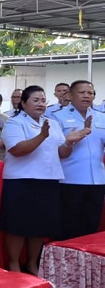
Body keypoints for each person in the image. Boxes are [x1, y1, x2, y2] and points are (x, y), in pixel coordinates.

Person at [0, 85, 88, 274]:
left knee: (39, 225)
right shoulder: (14, 123)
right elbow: (17, 150)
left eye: (43, 100)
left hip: (47, 180)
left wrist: (69, 142)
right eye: (36, 100)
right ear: (23, 103)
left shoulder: (51, 123)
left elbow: (62, 154)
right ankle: (14, 264)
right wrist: (41, 136)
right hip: (21, 181)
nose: (41, 104)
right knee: (18, 225)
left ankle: (32, 263)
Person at [51, 80, 105, 240]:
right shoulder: (56, 117)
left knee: (91, 225)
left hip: (97, 180)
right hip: (70, 180)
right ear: (70, 95)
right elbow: (57, 151)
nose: (87, 96)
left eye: (90, 93)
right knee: (69, 226)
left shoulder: (101, 117)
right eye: (82, 93)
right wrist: (71, 141)